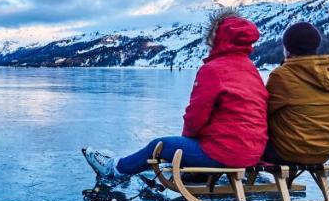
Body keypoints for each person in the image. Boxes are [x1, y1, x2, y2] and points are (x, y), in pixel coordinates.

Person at [83, 10, 268, 184]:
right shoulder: (251, 69)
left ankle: (115, 170)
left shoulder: (213, 70)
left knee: (159, 146)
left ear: (218, 38)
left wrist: (186, 146)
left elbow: (196, 115)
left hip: (224, 153)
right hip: (252, 152)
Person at [263, 21, 329, 166]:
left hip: (288, 152)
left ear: (287, 49)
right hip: (325, 152)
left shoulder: (282, 75)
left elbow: (262, 112)